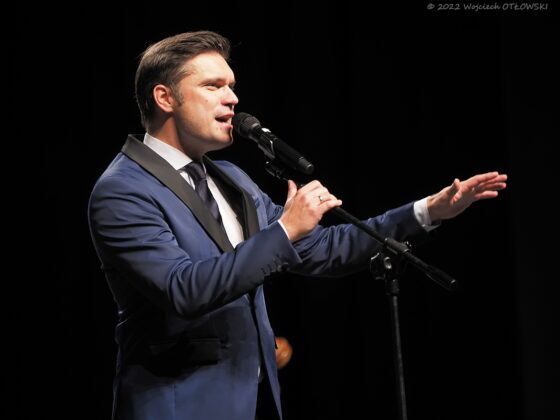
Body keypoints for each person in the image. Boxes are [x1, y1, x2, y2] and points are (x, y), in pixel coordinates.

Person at [87, 30, 507, 420]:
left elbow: (323, 248)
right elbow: (184, 289)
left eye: (231, 85)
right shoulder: (123, 190)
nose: (232, 98)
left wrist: (428, 211)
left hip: (254, 402)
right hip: (179, 406)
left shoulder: (231, 177)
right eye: (213, 86)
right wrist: (285, 229)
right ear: (164, 97)